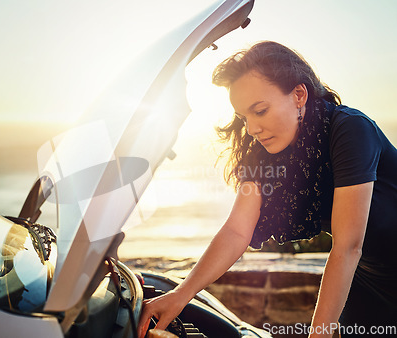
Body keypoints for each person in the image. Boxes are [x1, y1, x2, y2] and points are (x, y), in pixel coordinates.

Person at [138, 41, 397, 337]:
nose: (250, 128)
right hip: (368, 279)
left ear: (299, 95)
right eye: (243, 117)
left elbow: (348, 245)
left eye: (259, 110)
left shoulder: (350, 129)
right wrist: (180, 295)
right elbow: (237, 231)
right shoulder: (264, 153)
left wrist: (319, 333)